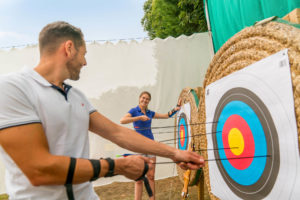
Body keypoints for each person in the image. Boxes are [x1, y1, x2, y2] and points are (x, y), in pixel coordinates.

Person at [0, 21, 204, 200]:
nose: (85, 62)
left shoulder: (76, 96)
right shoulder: (13, 88)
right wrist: (118, 166)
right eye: (84, 54)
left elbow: (116, 132)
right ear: (69, 48)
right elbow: (38, 170)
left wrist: (175, 153)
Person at [120, 91, 181, 200]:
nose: (145, 100)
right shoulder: (134, 111)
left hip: (151, 146)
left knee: (151, 176)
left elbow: (166, 115)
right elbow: (123, 120)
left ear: (149, 101)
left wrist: (175, 108)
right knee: (139, 179)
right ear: (139, 98)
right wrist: (138, 118)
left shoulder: (150, 113)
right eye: (143, 98)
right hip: (138, 146)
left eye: (147, 99)